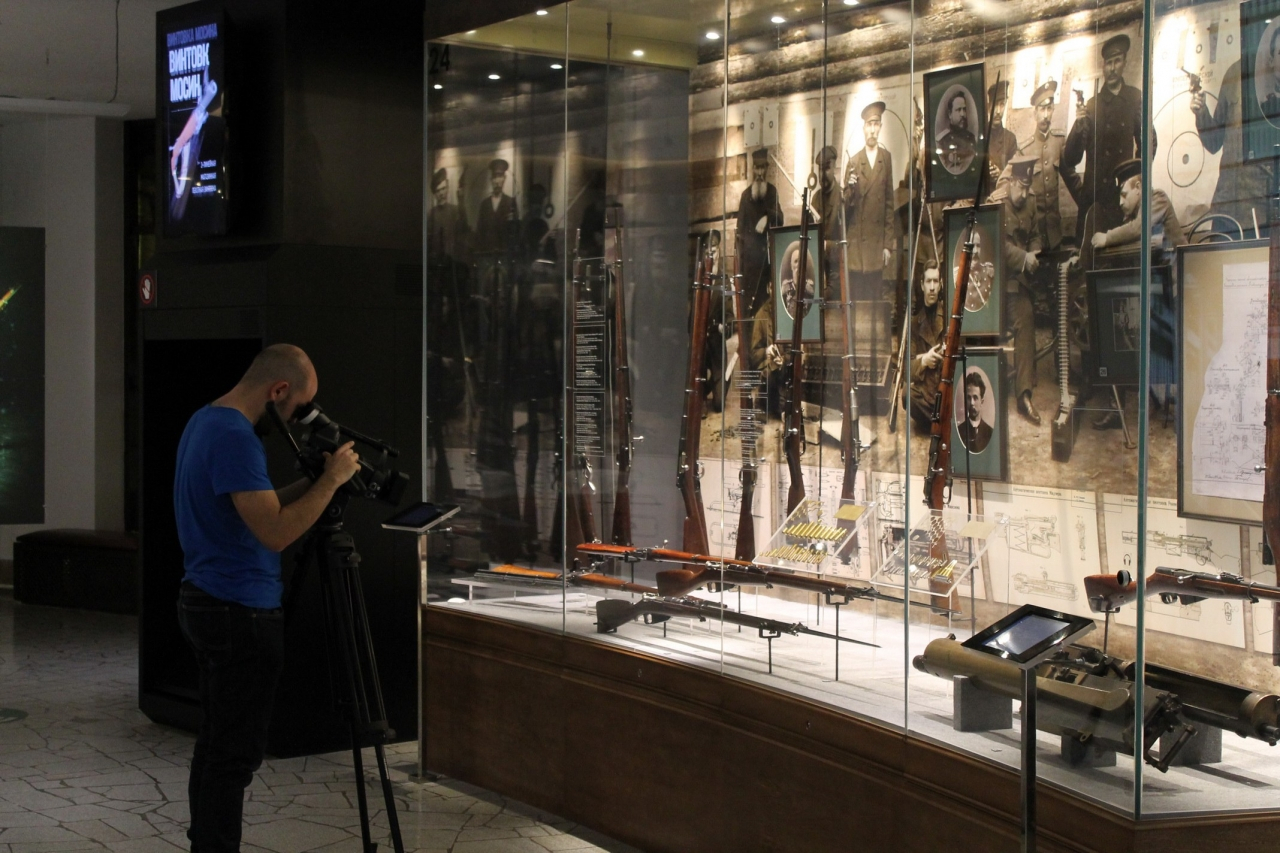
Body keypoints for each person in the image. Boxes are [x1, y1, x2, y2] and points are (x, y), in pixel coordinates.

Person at [174, 344, 361, 853]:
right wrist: (331, 482)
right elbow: (275, 532)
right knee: (233, 756)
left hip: (206, 599)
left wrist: (316, 482)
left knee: (216, 744)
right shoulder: (236, 437)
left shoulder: (205, 421)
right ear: (278, 390)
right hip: (240, 611)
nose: (300, 418)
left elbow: (258, 505)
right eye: (299, 406)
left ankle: (206, 844)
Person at [1062, 33, 1152, 238]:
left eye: (1117, 61)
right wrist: (1078, 126)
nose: (1112, 68)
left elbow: (1149, 143)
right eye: (1108, 63)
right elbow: (1071, 158)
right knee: (1088, 253)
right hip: (1094, 201)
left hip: (1122, 199)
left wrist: (1135, 180)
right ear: (1103, 66)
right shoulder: (1092, 106)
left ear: (1124, 63)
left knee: (1119, 251)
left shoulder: (1135, 98)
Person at [1191, 59, 1270, 236]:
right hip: (1225, 205)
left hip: (1260, 210)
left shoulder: (1274, 71)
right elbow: (1214, 143)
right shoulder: (1233, 72)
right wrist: (1201, 112)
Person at [1002, 154, 1044, 425]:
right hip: (999, 285)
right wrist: (1023, 258)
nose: (1025, 194)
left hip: (1021, 283)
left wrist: (1035, 252)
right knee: (1022, 316)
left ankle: (1024, 393)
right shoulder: (997, 204)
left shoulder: (1030, 203)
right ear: (1011, 182)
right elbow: (997, 244)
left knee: (1027, 315)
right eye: (1021, 187)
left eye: (1028, 188)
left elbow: (1036, 234)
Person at [844, 101, 899, 306]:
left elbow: (889, 205)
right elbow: (845, 207)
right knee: (858, 302)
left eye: (876, 124)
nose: (873, 130)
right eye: (869, 124)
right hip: (858, 247)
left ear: (881, 127)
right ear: (864, 128)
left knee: (875, 302)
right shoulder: (854, 161)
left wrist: (887, 246)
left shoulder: (886, 159)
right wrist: (849, 188)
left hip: (876, 246)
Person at [736, 148, 784, 333]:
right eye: (756, 168)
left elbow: (780, 218)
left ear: (767, 169)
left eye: (763, 168)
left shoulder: (772, 193)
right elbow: (740, 234)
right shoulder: (745, 196)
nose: (759, 173)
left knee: (765, 314)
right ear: (752, 169)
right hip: (750, 269)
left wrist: (767, 217)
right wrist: (740, 271)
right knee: (749, 315)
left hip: (766, 267)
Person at [1019, 80, 1070, 251]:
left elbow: (1072, 179)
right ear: (1035, 113)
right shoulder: (1025, 150)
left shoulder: (1059, 141)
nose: (1046, 115)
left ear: (1053, 110)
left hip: (1056, 234)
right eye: (1042, 109)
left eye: (1049, 109)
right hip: (1034, 235)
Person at [909, 261, 946, 431]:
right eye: (928, 281)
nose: (932, 287)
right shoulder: (915, 323)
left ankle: (936, 423)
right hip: (927, 393)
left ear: (941, 284)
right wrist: (924, 360)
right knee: (907, 395)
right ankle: (943, 423)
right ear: (922, 285)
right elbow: (907, 368)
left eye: (935, 281)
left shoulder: (948, 315)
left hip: (946, 387)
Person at [473, 158, 518, 255]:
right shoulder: (484, 204)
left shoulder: (511, 203)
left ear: (504, 178)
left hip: (504, 255)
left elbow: (515, 233)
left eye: (500, 176)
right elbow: (479, 233)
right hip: (487, 254)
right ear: (491, 180)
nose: (497, 181)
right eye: (494, 177)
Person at [937, 91, 977, 175]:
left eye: (964, 109)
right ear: (950, 114)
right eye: (958, 110)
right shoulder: (942, 141)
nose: (962, 114)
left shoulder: (971, 138)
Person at [987, 80, 1018, 184]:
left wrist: (1000, 174)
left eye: (1002, 104)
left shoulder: (1010, 139)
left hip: (1003, 192)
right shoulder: (980, 137)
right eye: (995, 105)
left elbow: (1016, 176)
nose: (998, 111)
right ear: (988, 106)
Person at [957, 370, 994, 453]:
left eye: (975, 398)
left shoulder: (990, 432)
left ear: (982, 401)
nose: (972, 403)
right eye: (968, 398)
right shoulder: (959, 431)